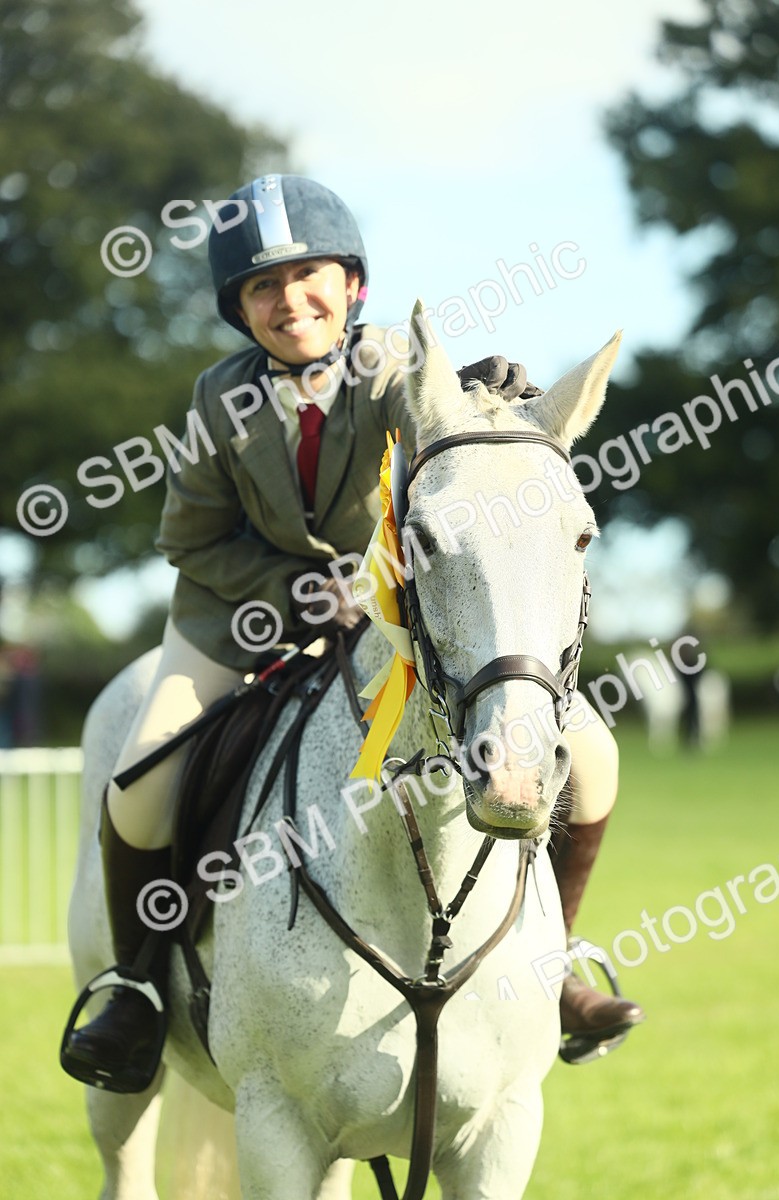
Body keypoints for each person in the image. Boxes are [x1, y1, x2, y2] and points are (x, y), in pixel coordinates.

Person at [62, 173, 642, 1092]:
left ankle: (556, 967)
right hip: (233, 626)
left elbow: (464, 431)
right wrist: (301, 592)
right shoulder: (220, 399)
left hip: (390, 626)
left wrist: (505, 386)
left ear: (352, 286)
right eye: (263, 287)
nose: (289, 302)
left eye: (307, 278)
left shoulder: (396, 373)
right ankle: (135, 986)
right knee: (142, 777)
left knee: (596, 756)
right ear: (238, 308)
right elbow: (188, 541)